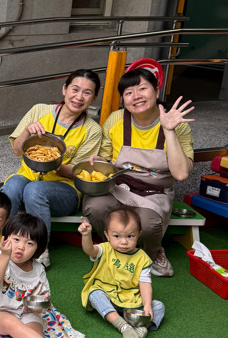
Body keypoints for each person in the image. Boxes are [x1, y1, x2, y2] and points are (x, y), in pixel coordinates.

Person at [81, 65, 194, 277]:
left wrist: (169, 130)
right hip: (118, 186)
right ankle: (112, 248)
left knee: (149, 225)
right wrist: (100, 161)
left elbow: (181, 174)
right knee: (95, 207)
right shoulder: (116, 119)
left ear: (156, 91)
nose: (136, 96)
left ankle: (153, 252)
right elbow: (107, 158)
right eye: (128, 92)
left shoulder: (177, 125)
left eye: (142, 89)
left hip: (155, 193)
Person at [1, 70, 103, 267]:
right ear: (64, 89)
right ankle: (0, 246)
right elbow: (17, 151)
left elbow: (78, 173)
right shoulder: (39, 110)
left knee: (34, 190)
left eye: (87, 92)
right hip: (27, 176)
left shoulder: (92, 130)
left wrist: (52, 165)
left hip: (65, 190)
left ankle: (40, 252)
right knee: (12, 187)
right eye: (75, 89)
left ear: (94, 98)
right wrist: (27, 130)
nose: (79, 97)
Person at [78, 207, 165, 338]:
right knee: (94, 293)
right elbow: (89, 250)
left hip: (132, 301)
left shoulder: (142, 258)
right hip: (109, 297)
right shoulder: (104, 249)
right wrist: (86, 235)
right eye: (117, 236)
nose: (123, 242)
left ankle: (143, 327)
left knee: (158, 306)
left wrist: (147, 305)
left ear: (138, 235)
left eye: (130, 236)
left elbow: (145, 284)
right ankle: (122, 325)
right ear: (107, 235)